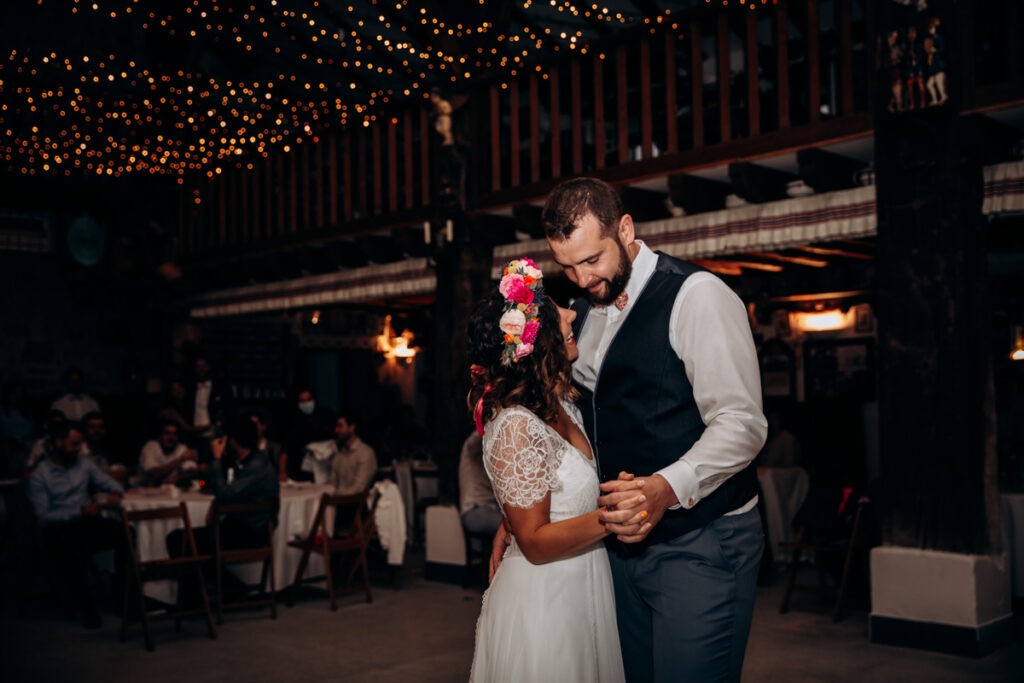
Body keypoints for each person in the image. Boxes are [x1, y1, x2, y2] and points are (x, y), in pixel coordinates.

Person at [540, 177, 767, 682]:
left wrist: (667, 488)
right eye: (567, 267)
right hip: (615, 546)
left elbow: (742, 424)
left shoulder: (696, 295)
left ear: (625, 230)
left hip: (702, 539)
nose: (581, 279)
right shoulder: (578, 312)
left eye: (592, 260)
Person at [468, 257, 645, 683]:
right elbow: (535, 542)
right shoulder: (513, 426)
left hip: (582, 584)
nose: (571, 313)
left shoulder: (562, 403)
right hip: (543, 602)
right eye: (555, 311)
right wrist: (611, 516)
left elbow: (548, 495)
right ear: (536, 342)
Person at [26, 421, 124, 628]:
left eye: (80, 444)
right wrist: (78, 511)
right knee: (73, 548)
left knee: (125, 533)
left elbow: (106, 481)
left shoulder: (83, 462)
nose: (79, 449)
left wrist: (115, 492)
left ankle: (122, 598)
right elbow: (43, 517)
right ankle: (87, 608)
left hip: (87, 522)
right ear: (59, 443)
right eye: (74, 444)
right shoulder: (40, 476)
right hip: (59, 528)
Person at [281, 388, 334, 481]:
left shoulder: (325, 416)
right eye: (302, 401)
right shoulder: (293, 421)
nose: (306, 404)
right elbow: (285, 450)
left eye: (309, 400)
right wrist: (282, 472)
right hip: (299, 470)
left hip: (325, 466)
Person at [457, 431, 501, 538]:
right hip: (476, 510)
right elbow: (482, 434)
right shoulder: (471, 447)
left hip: (489, 509)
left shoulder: (492, 459)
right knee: (520, 528)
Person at [138, 420, 199, 486]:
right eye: (167, 433)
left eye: (175, 434)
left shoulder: (181, 448)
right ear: (160, 435)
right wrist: (180, 460)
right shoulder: (150, 447)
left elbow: (192, 469)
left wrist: (178, 477)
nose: (171, 437)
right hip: (144, 489)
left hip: (169, 490)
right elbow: (154, 473)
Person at [329, 413, 377, 496]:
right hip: (337, 502)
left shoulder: (365, 453)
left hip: (355, 504)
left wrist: (335, 495)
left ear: (351, 428)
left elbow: (359, 488)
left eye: (340, 426)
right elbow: (332, 483)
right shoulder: (339, 454)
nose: (336, 430)